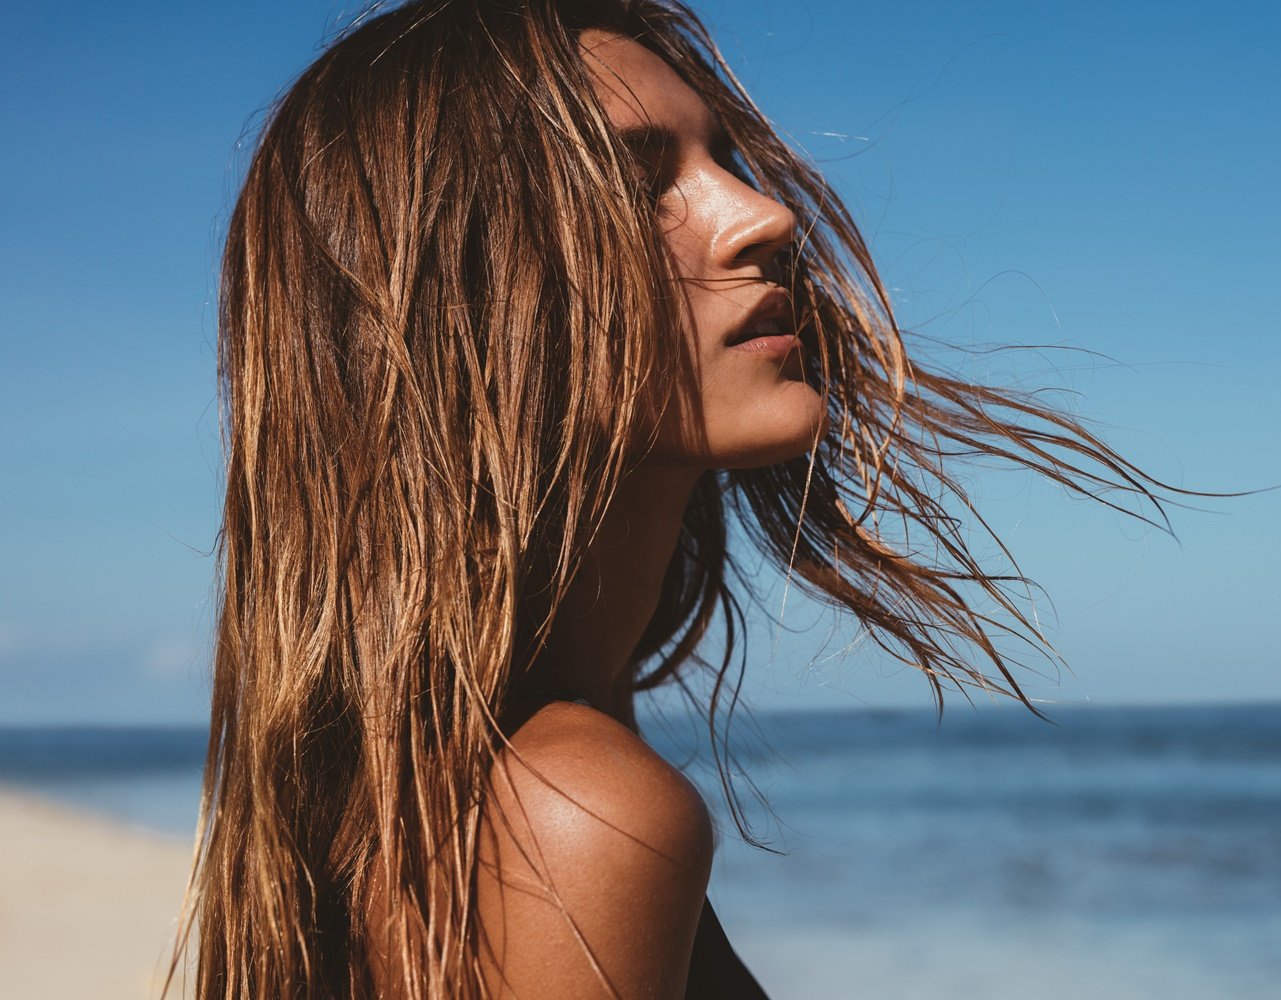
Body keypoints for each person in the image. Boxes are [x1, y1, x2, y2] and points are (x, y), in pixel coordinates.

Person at [173, 1, 1177, 997]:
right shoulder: (574, 808)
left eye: (723, 162)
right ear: (459, 299)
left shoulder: (436, 788)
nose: (764, 215)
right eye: (638, 183)